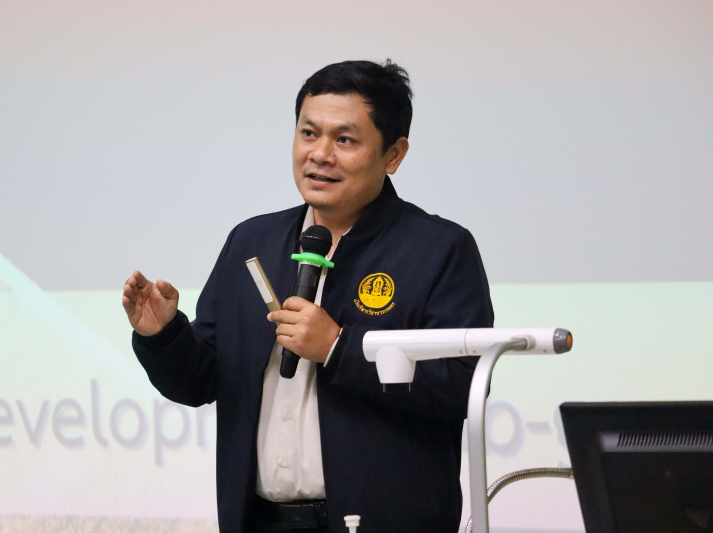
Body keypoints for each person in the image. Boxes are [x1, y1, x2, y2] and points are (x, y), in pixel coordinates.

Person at [122, 60, 494, 533]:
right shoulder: (251, 241)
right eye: (308, 133)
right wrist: (164, 336)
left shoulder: (439, 249)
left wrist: (339, 349)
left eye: (345, 140)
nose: (320, 154)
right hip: (259, 521)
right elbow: (200, 381)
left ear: (394, 154)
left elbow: (463, 385)